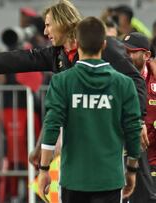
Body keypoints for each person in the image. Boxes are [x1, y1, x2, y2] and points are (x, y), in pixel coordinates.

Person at [0, 0, 147, 167]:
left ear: (63, 23)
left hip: (110, 136)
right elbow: (14, 60)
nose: (46, 31)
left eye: (48, 25)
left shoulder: (105, 45)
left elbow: (136, 80)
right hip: (78, 139)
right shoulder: (56, 54)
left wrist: (139, 121)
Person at [38, 16, 141, 203]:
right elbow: (133, 130)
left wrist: (44, 169)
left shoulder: (62, 81)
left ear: (77, 43)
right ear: (103, 44)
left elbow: (52, 125)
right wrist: (132, 170)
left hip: (73, 180)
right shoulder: (124, 84)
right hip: (109, 179)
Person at [123, 32, 156, 202]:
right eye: (124, 51)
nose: (126, 56)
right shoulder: (115, 77)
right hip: (124, 160)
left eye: (132, 52)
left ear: (147, 55)